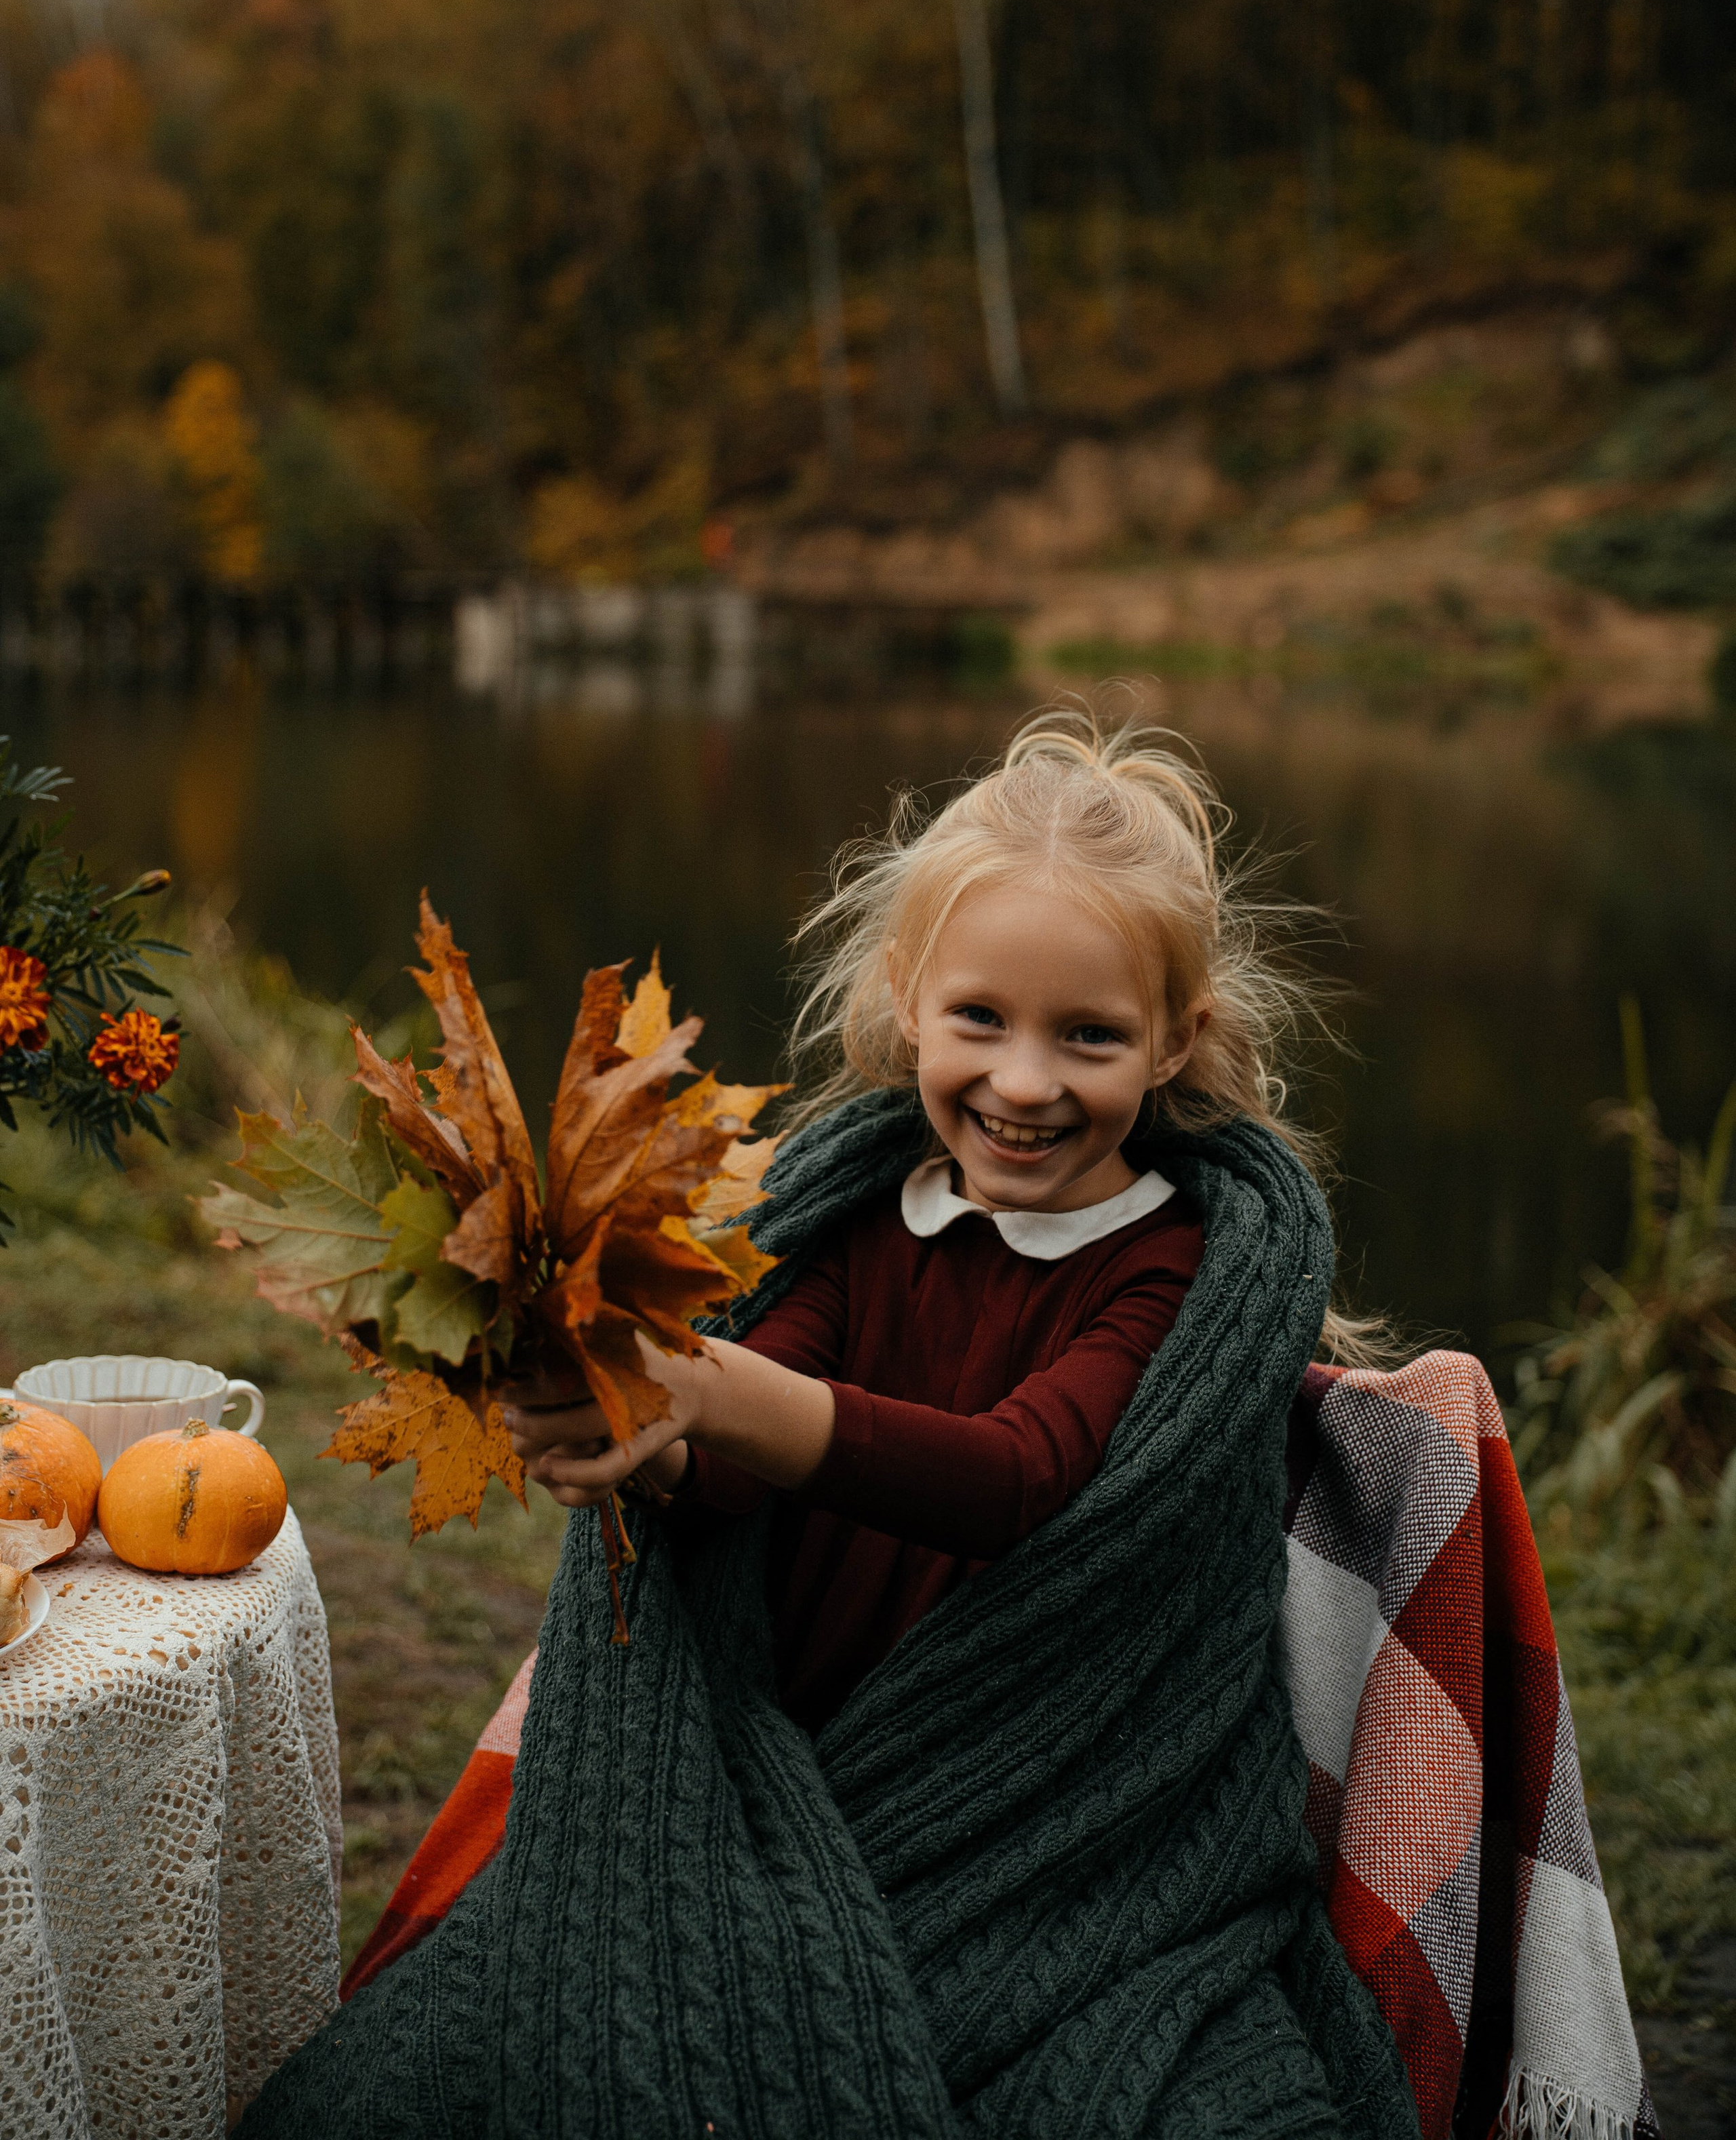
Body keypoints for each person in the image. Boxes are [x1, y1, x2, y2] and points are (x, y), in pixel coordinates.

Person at [239, 710, 1421, 2139]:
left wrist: (710, 1389)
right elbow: (734, 1474)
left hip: (1044, 1809)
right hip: (798, 1756)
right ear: (906, 1000)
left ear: (1175, 1041)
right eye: (979, 1018)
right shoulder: (858, 1226)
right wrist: (645, 1438)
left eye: (1089, 1036)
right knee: (424, 2077)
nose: (1025, 1081)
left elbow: (1014, 1478)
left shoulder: (1165, 1264)